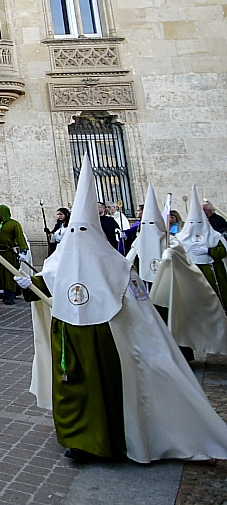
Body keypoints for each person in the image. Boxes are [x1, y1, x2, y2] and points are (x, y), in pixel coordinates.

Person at [18, 156, 227, 463]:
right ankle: (77, 440)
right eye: (74, 230)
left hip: (106, 341)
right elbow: (48, 281)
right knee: (72, 389)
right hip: (68, 337)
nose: (78, 237)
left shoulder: (117, 266)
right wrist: (29, 284)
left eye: (84, 230)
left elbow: (141, 314)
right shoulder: (60, 258)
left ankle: (108, 440)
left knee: (107, 391)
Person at [176, 186, 227, 309]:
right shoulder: (180, 238)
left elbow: (223, 251)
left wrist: (209, 250)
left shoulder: (215, 236)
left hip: (214, 271)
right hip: (192, 272)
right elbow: (176, 253)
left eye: (199, 222)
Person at [0, 205, 29, 304]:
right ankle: (4, 293)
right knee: (0, 275)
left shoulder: (14, 224)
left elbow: (20, 238)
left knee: (9, 274)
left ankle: (10, 295)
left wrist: (23, 251)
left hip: (9, 253)